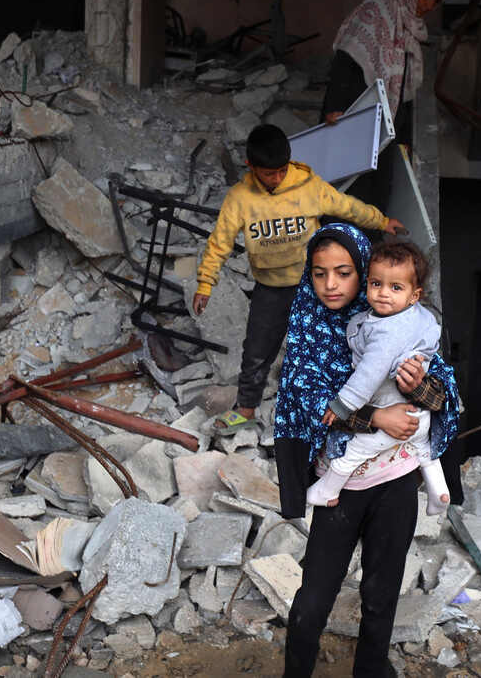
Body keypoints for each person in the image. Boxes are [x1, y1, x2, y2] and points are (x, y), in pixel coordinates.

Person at [273, 222, 462, 678]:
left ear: (363, 272)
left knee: (381, 593)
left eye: (343, 272)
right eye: (319, 274)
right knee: (314, 596)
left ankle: (372, 671)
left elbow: (447, 396)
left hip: (395, 482)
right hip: (341, 487)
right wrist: (376, 418)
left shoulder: (400, 323)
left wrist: (423, 389)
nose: (331, 285)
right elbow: (306, 401)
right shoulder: (309, 328)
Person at [192, 125, 404, 432]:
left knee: (326, 345)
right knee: (257, 350)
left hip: (313, 285)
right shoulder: (240, 199)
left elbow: (348, 207)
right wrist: (205, 283)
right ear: (251, 167)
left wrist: (382, 220)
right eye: (268, 173)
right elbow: (219, 242)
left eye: (281, 171)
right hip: (270, 287)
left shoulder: (307, 186)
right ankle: (246, 409)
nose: (276, 179)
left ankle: (338, 408)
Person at [308, 241, 451, 515]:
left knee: (354, 452)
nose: (383, 294)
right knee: (424, 448)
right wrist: (378, 416)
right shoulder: (418, 317)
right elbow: (308, 402)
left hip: (396, 427)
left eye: (395, 287)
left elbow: (370, 373)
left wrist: (342, 405)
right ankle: (439, 491)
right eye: (375, 284)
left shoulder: (388, 331)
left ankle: (328, 490)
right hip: (416, 421)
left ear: (414, 295)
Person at [320, 0, 453, 213]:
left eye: (436, 2)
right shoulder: (377, 10)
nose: (428, 7)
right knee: (349, 186)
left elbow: (403, 85)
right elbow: (346, 58)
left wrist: (404, 133)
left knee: (378, 190)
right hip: (354, 109)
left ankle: (369, 247)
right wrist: (335, 108)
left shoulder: (412, 25)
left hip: (388, 119)